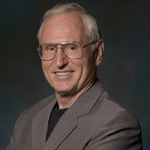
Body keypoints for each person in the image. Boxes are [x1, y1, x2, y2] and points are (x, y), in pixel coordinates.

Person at [7, 3, 143, 150]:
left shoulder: (117, 124)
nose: (59, 62)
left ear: (97, 52)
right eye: (50, 48)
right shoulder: (27, 119)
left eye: (72, 47)